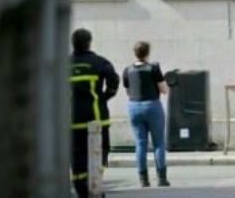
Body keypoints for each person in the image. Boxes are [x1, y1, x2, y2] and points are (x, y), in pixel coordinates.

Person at [70, 28, 119, 198]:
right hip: (97, 118)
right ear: (89, 42)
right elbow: (114, 80)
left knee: (77, 155)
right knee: (100, 150)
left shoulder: (64, 63)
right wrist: (104, 97)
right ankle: (95, 183)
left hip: (73, 119)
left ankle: (81, 188)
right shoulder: (99, 62)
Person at [122, 41, 170, 187]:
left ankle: (143, 179)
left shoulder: (127, 70)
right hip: (152, 105)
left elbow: (128, 90)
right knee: (159, 143)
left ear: (134, 53)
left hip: (133, 106)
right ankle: (161, 178)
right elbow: (164, 90)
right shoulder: (153, 68)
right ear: (148, 53)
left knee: (140, 143)